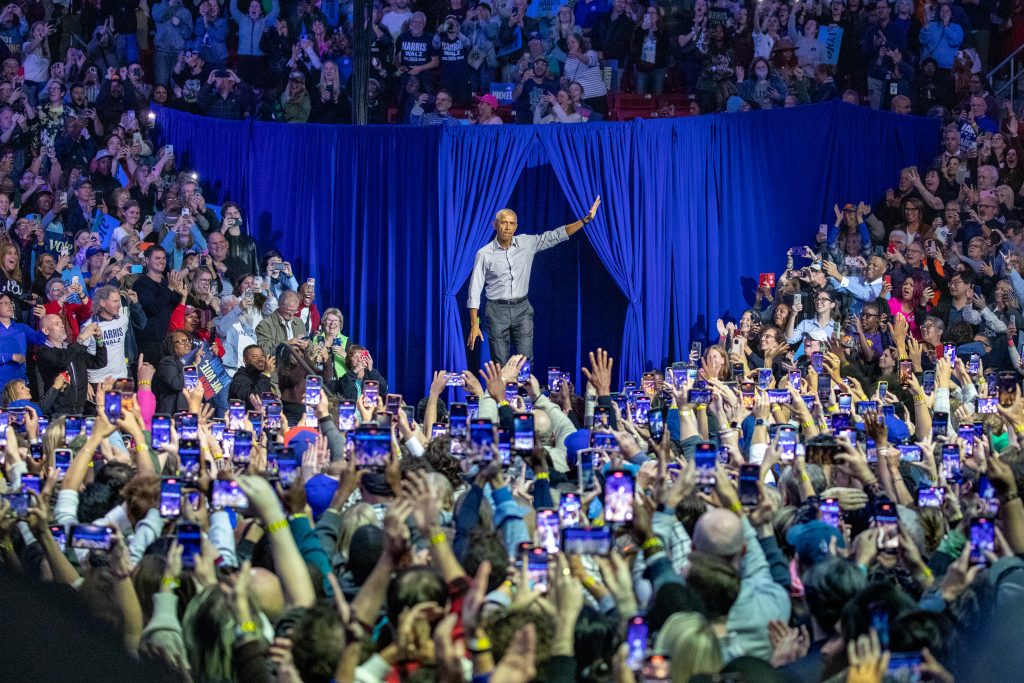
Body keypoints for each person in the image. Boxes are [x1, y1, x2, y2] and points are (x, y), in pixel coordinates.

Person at [466, 197, 601, 364]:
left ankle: (523, 390)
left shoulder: (526, 243)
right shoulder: (484, 254)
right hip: (496, 311)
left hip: (522, 309)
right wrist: (474, 323)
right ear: (495, 225)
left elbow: (555, 236)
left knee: (525, 362)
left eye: (511, 223)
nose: (507, 227)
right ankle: (502, 390)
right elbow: (474, 290)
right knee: (500, 364)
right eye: (503, 223)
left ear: (516, 227)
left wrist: (585, 220)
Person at [35, 315, 106, 415]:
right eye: (57, 324)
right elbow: (62, 362)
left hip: (79, 410)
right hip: (58, 413)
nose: (62, 325)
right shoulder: (43, 352)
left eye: (61, 322)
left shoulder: (71, 348)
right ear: (46, 331)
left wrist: (99, 340)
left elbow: (99, 362)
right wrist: (81, 338)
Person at [228, 344, 275, 409]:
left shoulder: (263, 378)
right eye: (255, 356)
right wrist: (266, 374)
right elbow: (253, 400)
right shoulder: (239, 379)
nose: (260, 359)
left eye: (262, 356)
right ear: (245, 360)